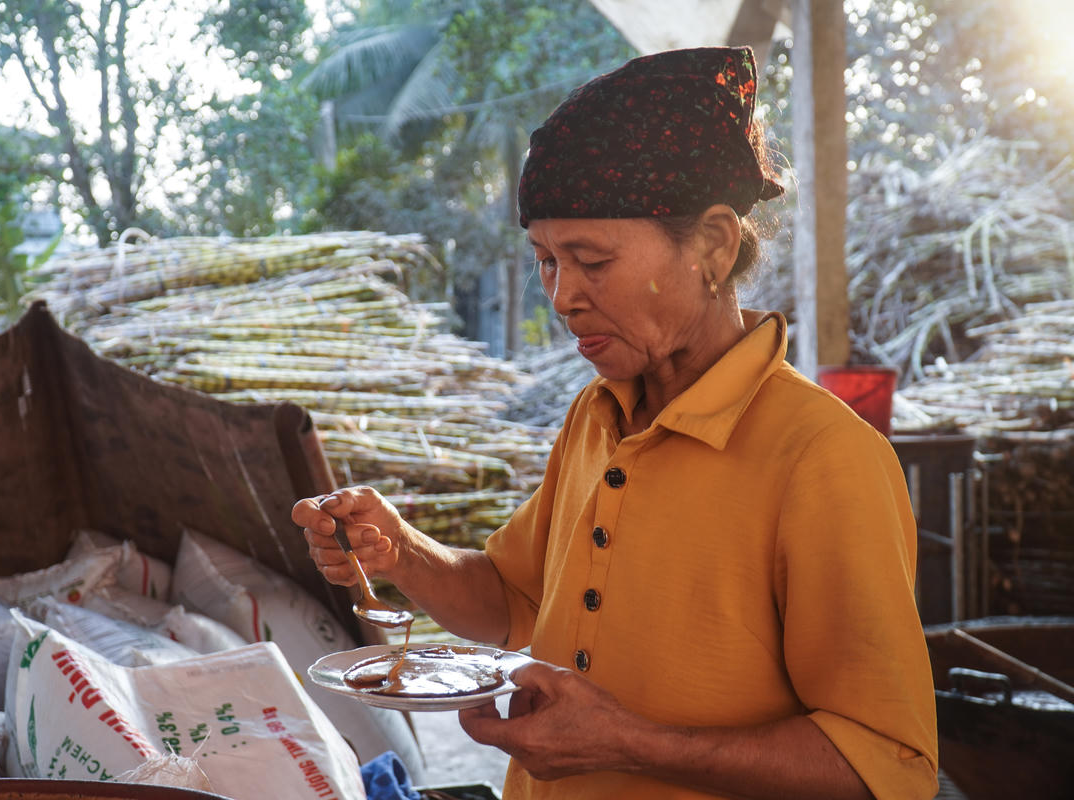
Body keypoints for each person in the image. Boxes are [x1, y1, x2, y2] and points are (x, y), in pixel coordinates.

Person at [292, 46, 938, 800]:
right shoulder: (598, 418)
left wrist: (628, 744)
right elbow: (514, 604)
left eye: (590, 260)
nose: (562, 296)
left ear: (714, 247)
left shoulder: (823, 458)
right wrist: (403, 552)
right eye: (544, 261)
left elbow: (888, 766)